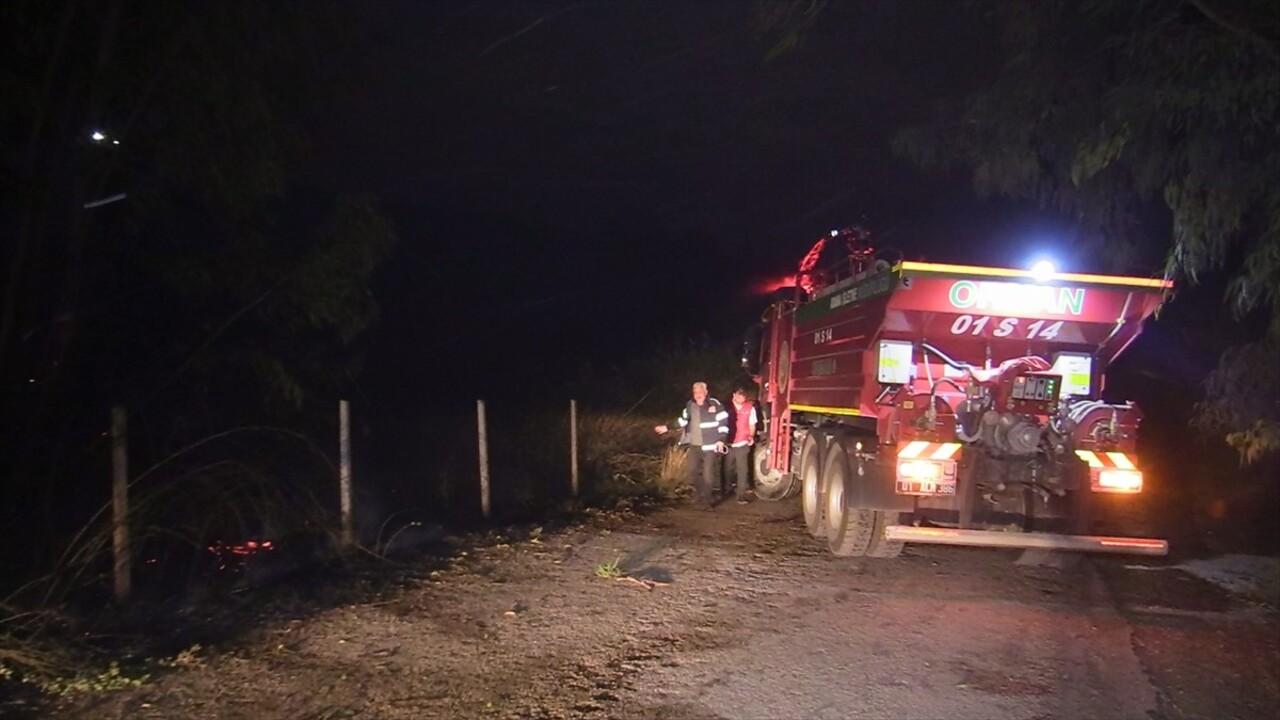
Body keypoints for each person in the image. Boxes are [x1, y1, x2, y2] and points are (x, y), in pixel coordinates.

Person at [654, 381, 729, 508]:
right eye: (695, 392)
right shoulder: (690, 405)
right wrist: (667, 427)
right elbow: (682, 420)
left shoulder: (715, 405)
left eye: (700, 392)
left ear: (706, 392)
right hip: (695, 445)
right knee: (691, 473)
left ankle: (706, 502)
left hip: (711, 446)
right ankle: (699, 495)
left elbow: (723, 424)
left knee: (708, 475)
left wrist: (721, 440)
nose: (698, 395)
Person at [726, 387, 759, 504]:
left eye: (743, 397)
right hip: (728, 443)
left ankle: (741, 495)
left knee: (742, 470)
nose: (740, 399)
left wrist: (751, 435)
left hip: (742, 442)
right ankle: (725, 490)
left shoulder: (750, 408)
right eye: (738, 396)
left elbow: (752, 424)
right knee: (726, 468)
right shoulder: (726, 407)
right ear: (734, 395)